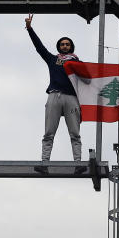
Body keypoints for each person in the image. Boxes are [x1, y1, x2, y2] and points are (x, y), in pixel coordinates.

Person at [25, 14, 83, 172]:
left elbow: (89, 79)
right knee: (49, 133)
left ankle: (78, 165)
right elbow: (39, 48)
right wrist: (30, 29)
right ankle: (44, 164)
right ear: (59, 46)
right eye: (62, 44)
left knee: (75, 134)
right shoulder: (52, 59)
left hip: (72, 98)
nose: (65, 46)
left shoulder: (78, 62)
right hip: (54, 96)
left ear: (71, 46)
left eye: (67, 44)